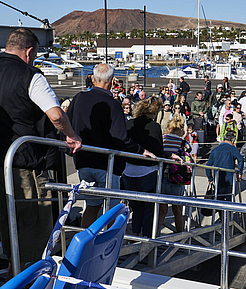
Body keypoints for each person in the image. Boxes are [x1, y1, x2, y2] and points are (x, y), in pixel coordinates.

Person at [0, 28, 82, 275]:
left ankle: (13, 273)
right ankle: (25, 279)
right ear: (29, 52)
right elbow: (56, 115)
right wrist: (71, 135)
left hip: (2, 161)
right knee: (33, 222)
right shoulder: (30, 75)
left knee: (7, 220)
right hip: (26, 163)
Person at [67, 64, 154, 228]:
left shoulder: (78, 98)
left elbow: (67, 127)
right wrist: (141, 151)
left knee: (92, 207)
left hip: (83, 161)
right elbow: (120, 138)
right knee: (112, 210)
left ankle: (86, 245)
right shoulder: (113, 105)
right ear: (113, 81)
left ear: (92, 79)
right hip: (107, 164)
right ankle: (109, 249)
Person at [124, 96, 182, 237]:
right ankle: (147, 238)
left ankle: (134, 235)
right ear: (154, 112)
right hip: (147, 171)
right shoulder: (154, 126)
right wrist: (170, 156)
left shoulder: (129, 124)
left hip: (128, 171)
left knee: (136, 207)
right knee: (149, 207)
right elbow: (157, 151)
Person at [158, 116, 191, 233]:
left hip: (161, 178)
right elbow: (188, 152)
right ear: (182, 130)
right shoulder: (183, 142)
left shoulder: (161, 139)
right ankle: (179, 234)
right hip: (176, 179)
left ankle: (155, 234)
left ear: (168, 128)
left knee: (162, 210)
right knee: (178, 210)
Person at [206, 132, 244, 202]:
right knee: (229, 198)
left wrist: (210, 178)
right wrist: (240, 173)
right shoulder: (232, 148)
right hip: (229, 178)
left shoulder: (215, 150)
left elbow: (208, 165)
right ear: (232, 141)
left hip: (218, 178)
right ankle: (229, 212)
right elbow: (241, 159)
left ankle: (221, 213)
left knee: (219, 199)